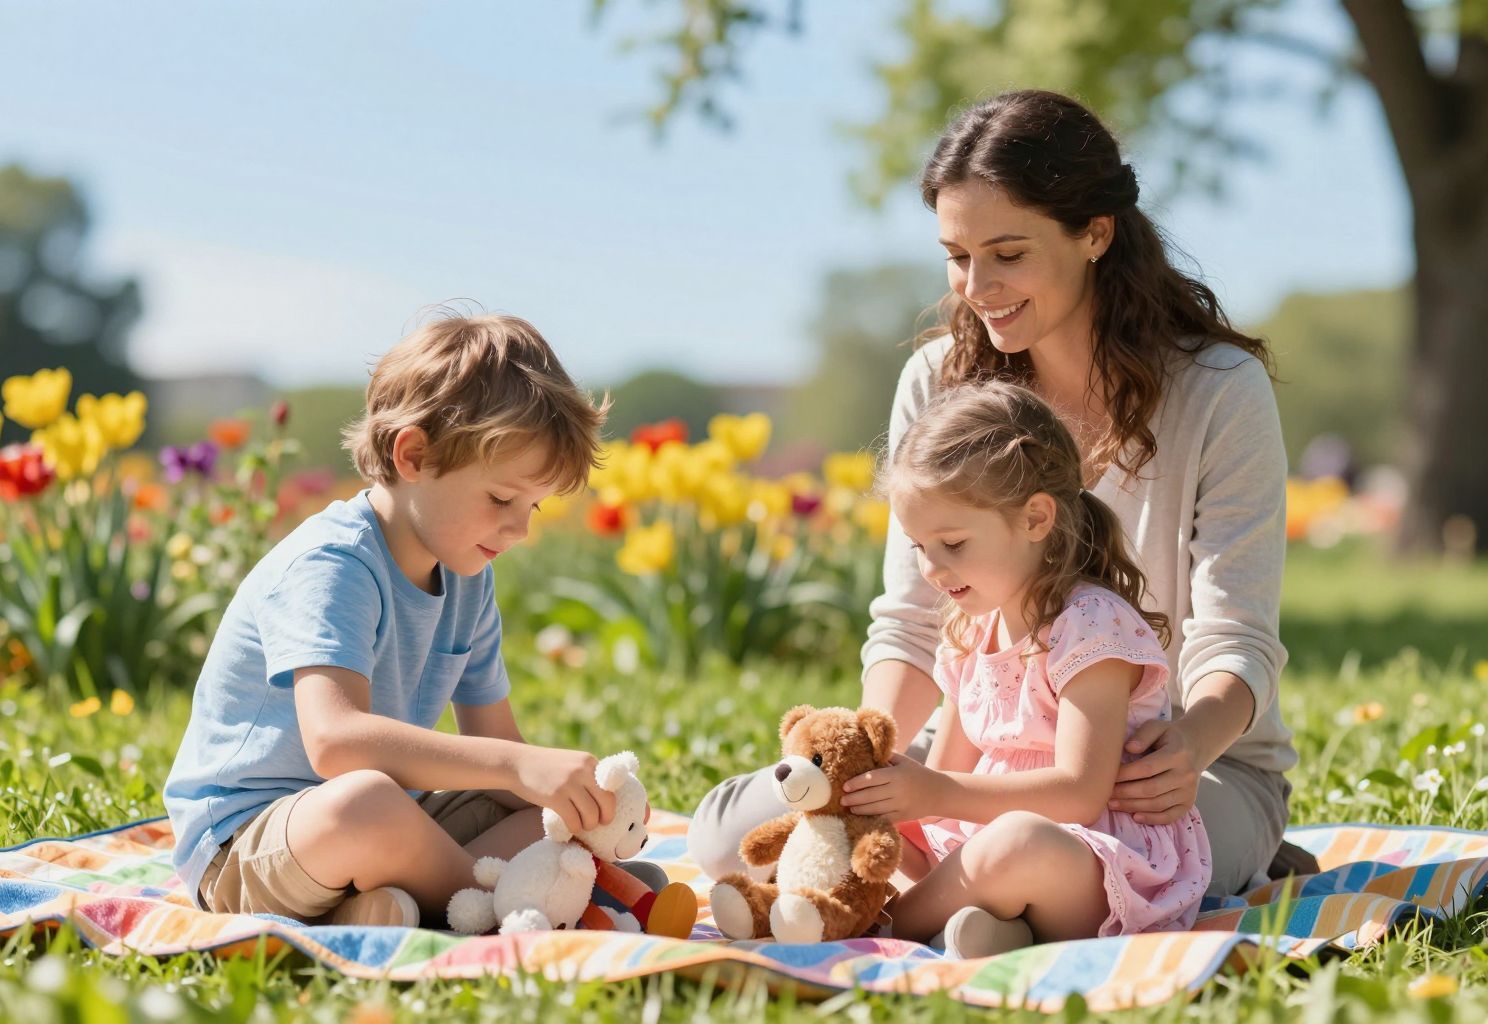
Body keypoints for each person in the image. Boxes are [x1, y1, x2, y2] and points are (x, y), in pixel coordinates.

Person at [690, 89, 1304, 900]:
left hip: (1165, 773)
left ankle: (1106, 876)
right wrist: (864, 769)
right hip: (984, 754)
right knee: (728, 840)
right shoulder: (938, 381)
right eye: (957, 255)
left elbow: (1236, 637)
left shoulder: (1219, 390)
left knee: (1084, 861)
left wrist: (1188, 746)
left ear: (1095, 233)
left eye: (1008, 254)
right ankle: (995, 899)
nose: (977, 286)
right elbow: (914, 618)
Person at [164, 311, 647, 928]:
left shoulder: (468, 576)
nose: (519, 529)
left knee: (548, 818)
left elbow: (499, 745)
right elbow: (336, 743)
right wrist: (516, 766)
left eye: (533, 507)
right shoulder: (332, 564)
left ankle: (394, 908)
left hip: (394, 830)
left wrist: (581, 801)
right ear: (414, 455)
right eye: (501, 498)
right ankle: (520, 904)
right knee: (367, 804)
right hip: (248, 847)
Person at [842, 381, 1210, 956]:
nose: (932, 568)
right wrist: (886, 801)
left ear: (1036, 518)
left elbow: (1080, 793)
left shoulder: (1090, 626)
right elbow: (940, 791)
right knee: (856, 817)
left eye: (953, 544)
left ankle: (876, 927)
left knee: (1017, 842)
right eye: (919, 547)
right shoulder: (970, 632)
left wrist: (933, 792)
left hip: (1096, 867)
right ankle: (993, 930)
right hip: (987, 851)